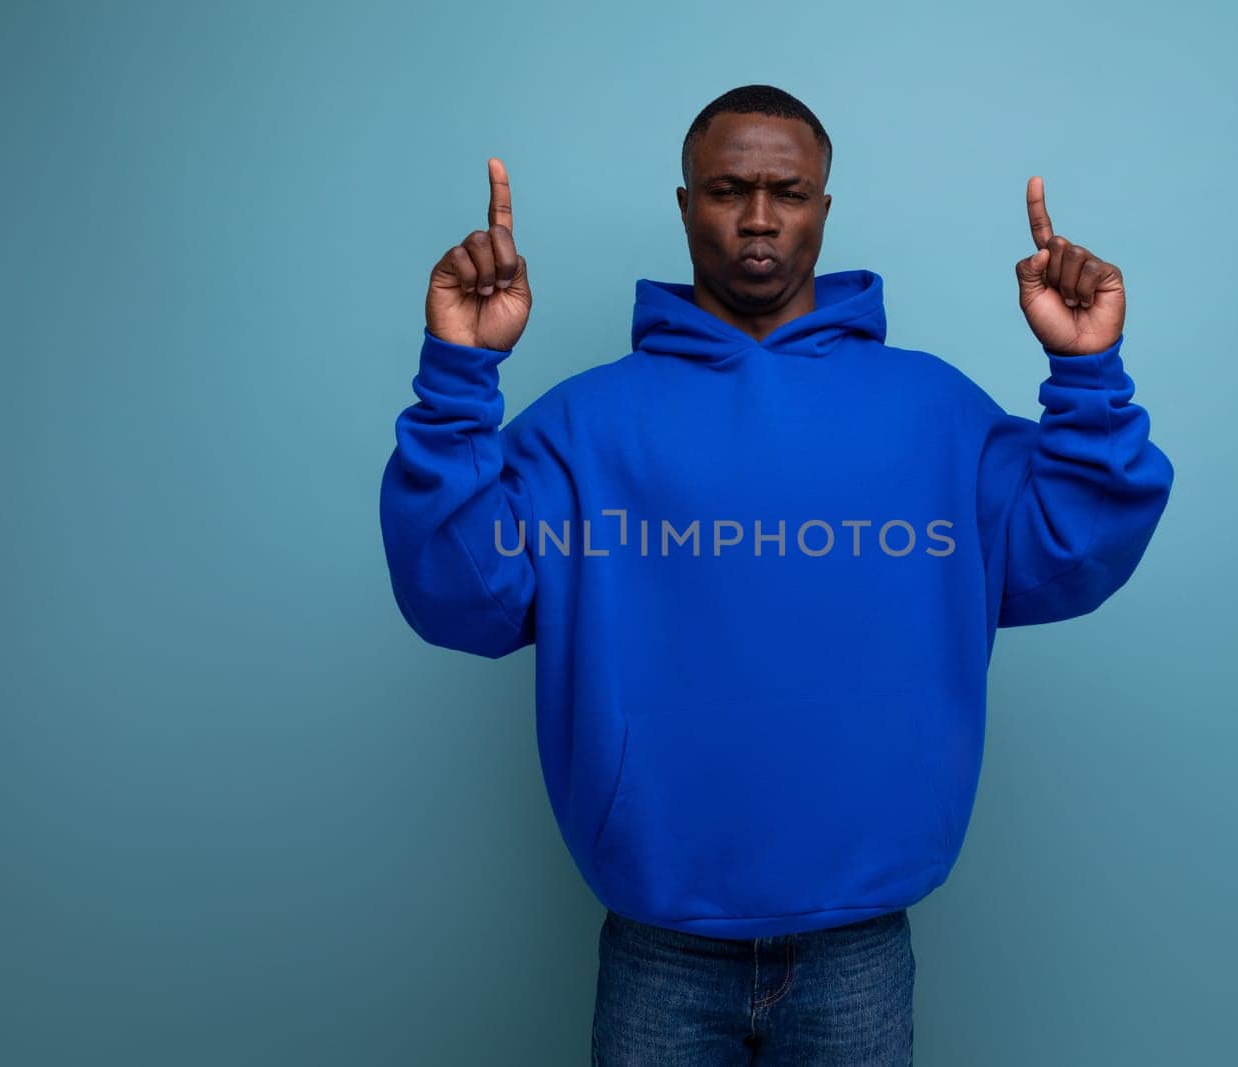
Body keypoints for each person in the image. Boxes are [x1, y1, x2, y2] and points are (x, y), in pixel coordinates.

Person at [379, 84, 1173, 1065]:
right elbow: (455, 593)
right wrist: (458, 374)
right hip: (657, 939)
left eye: (787, 192)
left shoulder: (934, 412)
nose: (758, 216)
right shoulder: (583, 427)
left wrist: (1086, 373)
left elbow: (1076, 546)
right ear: (684, 206)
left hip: (860, 943)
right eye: (727, 189)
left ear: (823, 209)